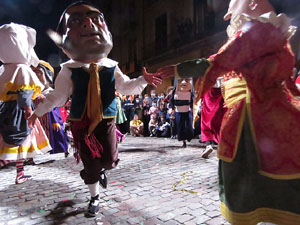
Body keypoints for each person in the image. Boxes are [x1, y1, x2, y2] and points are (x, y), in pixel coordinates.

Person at [147, 0, 300, 224]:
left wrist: (178, 69)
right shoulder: (276, 35)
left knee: (241, 179)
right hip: (278, 115)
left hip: (251, 116)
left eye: (234, 4)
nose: (228, 13)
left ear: (255, 4)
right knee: (276, 178)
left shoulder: (256, 30)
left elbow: (217, 61)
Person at [29, 1, 161, 217]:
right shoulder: (68, 70)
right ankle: (94, 197)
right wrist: (37, 112)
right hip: (81, 124)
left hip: (106, 120)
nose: (89, 23)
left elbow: (126, 86)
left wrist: (142, 80)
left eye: (95, 19)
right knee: (90, 164)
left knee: (109, 161)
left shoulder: (111, 66)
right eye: (78, 21)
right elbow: (58, 97)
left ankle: (100, 171)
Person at [0, 23, 52, 184]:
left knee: (15, 142)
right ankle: (16, 170)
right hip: (20, 112)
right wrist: (29, 110)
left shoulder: (4, 69)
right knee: (19, 141)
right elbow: (24, 93)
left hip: (5, 109)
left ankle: (20, 173)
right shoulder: (22, 69)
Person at [32, 61, 69, 157]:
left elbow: (55, 110)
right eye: (33, 72)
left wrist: (55, 121)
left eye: (39, 72)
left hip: (49, 122)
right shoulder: (29, 92)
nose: (36, 76)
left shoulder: (51, 93)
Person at [200, 77, 227, 158]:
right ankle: (222, 145)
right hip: (223, 89)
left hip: (210, 88)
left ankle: (208, 145)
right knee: (220, 122)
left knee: (205, 121)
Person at [169, 78, 194, 148]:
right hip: (178, 111)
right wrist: (172, 108)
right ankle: (184, 141)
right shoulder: (175, 92)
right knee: (181, 127)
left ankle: (189, 137)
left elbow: (193, 101)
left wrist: (194, 108)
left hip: (188, 111)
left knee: (189, 126)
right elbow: (172, 101)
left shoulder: (190, 93)